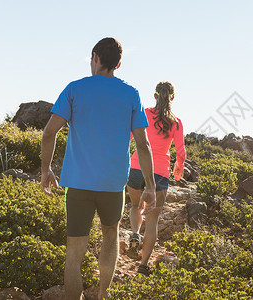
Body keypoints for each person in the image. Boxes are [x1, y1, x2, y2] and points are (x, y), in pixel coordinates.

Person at [40, 37, 156, 300]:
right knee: (110, 234)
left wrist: (46, 170)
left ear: (94, 57)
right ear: (118, 64)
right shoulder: (131, 94)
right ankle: (103, 294)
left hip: (79, 183)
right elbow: (143, 143)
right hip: (113, 184)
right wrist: (150, 185)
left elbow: (49, 134)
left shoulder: (74, 89)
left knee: (74, 251)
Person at [126, 81, 186, 276]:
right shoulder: (176, 122)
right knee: (152, 219)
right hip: (160, 174)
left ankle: (135, 232)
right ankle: (143, 265)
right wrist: (179, 167)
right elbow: (181, 151)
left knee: (135, 206)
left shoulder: (143, 113)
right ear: (173, 98)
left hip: (136, 167)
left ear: (155, 96)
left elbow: (128, 137)